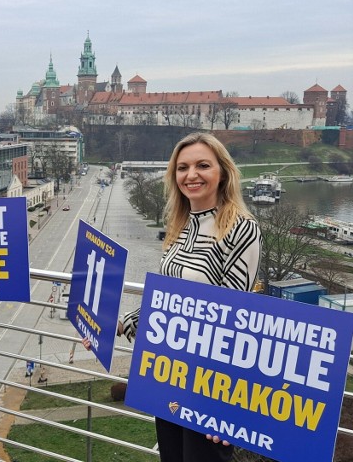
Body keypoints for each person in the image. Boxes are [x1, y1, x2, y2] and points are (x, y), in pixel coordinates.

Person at [85, 132, 262, 462]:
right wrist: (117, 325)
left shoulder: (240, 227)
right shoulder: (180, 225)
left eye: (202, 165)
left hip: (208, 383)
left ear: (222, 172)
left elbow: (236, 316)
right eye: (182, 167)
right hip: (168, 374)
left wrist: (225, 407)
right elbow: (167, 300)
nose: (191, 174)